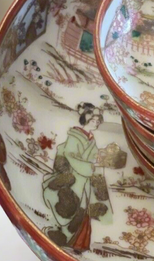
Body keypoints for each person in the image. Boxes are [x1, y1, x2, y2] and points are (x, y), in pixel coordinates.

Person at [43, 102, 111, 252]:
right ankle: (61, 236)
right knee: (69, 206)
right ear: (84, 120)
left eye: (97, 122)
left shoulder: (91, 139)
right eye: (93, 121)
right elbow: (70, 155)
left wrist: (98, 160)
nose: (95, 124)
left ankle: (78, 243)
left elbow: (93, 156)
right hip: (73, 175)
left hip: (84, 178)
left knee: (82, 209)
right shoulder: (75, 136)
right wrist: (88, 166)